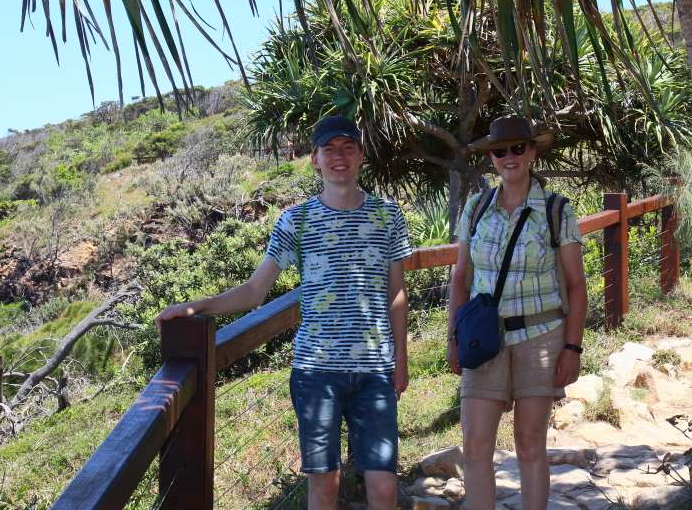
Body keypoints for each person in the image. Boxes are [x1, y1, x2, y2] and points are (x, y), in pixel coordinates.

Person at [155, 115, 412, 510]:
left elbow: (396, 293)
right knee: (324, 487)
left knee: (384, 488)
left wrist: (402, 360)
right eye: (329, 149)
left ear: (361, 155)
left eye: (348, 148)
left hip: (376, 370)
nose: (339, 157)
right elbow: (255, 291)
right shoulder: (297, 220)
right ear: (315, 160)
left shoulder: (387, 216)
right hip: (316, 372)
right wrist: (197, 306)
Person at [447, 116, 588, 510]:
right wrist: (453, 339)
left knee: (529, 444)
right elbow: (460, 279)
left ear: (532, 152)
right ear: (491, 157)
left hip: (541, 336)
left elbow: (576, 284)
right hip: (483, 339)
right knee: (475, 444)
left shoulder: (556, 210)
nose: (509, 156)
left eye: (517, 148)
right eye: (499, 150)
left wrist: (572, 348)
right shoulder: (476, 207)